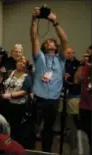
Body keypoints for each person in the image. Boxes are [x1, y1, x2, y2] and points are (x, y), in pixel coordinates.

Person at [30, 7, 68, 152]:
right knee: (33, 126)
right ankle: (31, 149)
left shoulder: (61, 59)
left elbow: (65, 40)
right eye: (47, 42)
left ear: (55, 46)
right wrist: (34, 20)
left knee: (49, 129)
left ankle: (46, 151)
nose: (50, 43)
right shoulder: (39, 57)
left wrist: (55, 22)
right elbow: (34, 38)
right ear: (44, 46)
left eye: (53, 42)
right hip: (39, 98)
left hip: (53, 99)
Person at [0, 57, 34, 149]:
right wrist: (1, 75)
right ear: (16, 63)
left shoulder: (27, 77)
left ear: (26, 66)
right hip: (6, 104)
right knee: (5, 125)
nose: (21, 63)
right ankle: (5, 145)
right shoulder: (10, 73)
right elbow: (0, 84)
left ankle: (16, 147)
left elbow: (25, 91)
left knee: (16, 128)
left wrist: (11, 95)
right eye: (20, 61)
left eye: (24, 63)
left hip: (18, 105)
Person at [74, 45, 92, 154]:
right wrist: (82, 65)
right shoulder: (85, 66)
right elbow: (76, 80)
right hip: (85, 106)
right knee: (86, 135)